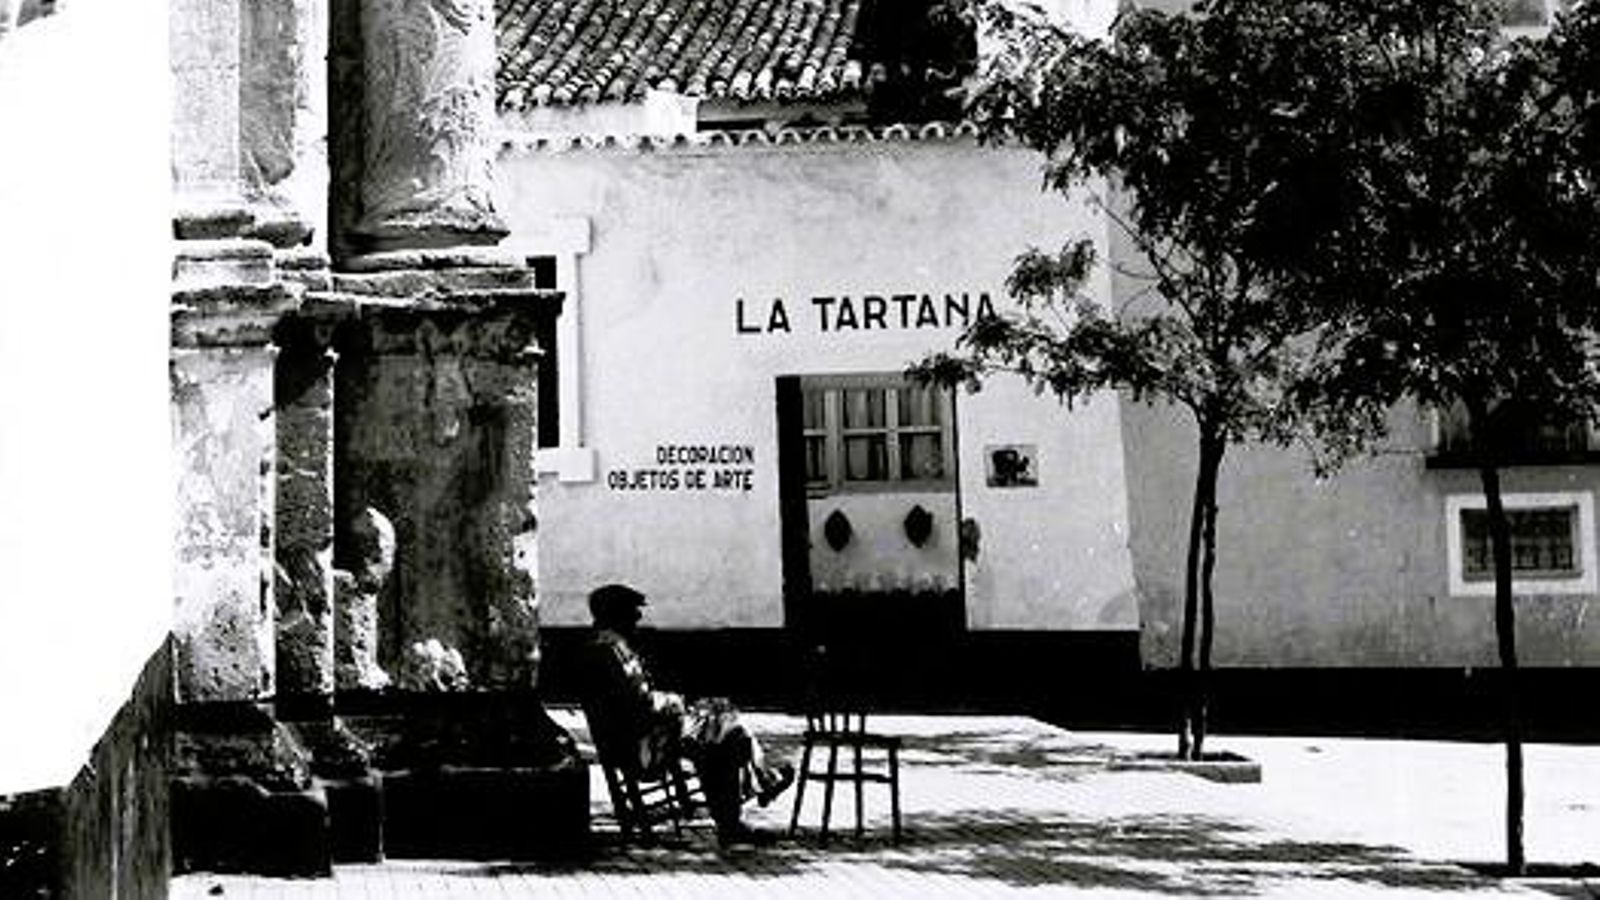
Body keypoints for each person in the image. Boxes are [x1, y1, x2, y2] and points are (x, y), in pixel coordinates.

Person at [580, 582, 794, 846]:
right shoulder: (613, 651)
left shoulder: (599, 647)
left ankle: (749, 797)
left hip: (634, 739)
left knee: (722, 727)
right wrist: (674, 702)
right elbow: (640, 704)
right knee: (724, 724)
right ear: (617, 615)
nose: (638, 618)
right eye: (633, 612)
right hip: (644, 744)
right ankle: (753, 791)